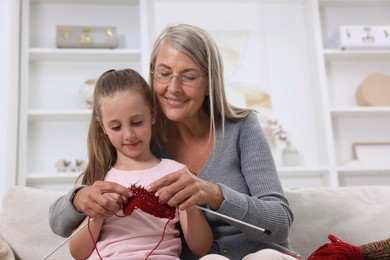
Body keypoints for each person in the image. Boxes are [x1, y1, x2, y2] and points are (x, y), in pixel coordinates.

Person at [49, 24, 301, 260]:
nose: (173, 87)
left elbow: (279, 224)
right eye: (164, 73)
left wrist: (214, 194)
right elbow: (59, 224)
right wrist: (80, 198)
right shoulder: (141, 142)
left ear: (209, 82)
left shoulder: (241, 127)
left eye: (188, 76)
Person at [68, 68, 212, 259]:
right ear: (102, 127)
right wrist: (98, 214)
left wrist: (189, 206)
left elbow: (202, 248)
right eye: (116, 127)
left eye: (136, 122)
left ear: (152, 114)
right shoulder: (100, 179)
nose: (129, 135)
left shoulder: (176, 174)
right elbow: (77, 253)